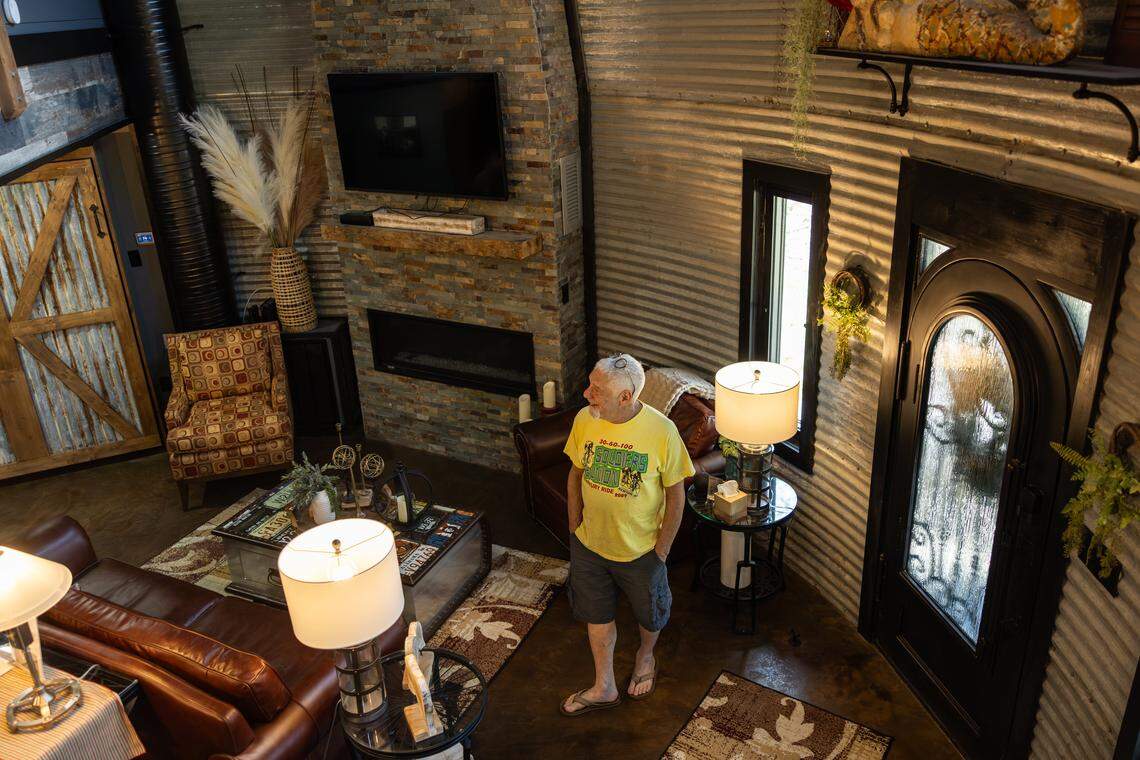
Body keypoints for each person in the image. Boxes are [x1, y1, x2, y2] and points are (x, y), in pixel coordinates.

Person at [559, 354, 694, 716]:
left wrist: (661, 551)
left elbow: (676, 494)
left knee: (650, 614)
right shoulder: (585, 420)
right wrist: (574, 527)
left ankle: (645, 656)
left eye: (596, 390)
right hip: (589, 543)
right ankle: (604, 686)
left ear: (625, 397)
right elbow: (575, 473)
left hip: (641, 551)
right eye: (590, 384)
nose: (586, 393)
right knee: (595, 613)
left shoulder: (662, 431)